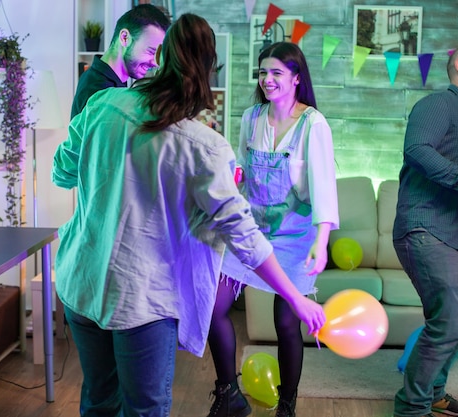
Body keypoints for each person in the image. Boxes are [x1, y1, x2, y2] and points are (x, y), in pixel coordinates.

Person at [51, 14, 326, 417]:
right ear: (206, 71)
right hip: (139, 300)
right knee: (144, 410)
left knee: (98, 402)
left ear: (162, 59)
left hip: (81, 282)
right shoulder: (203, 145)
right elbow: (243, 236)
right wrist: (296, 298)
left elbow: (62, 172)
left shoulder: (100, 104)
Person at [206, 42, 339, 417]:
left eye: (277, 73)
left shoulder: (314, 124)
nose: (267, 79)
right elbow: (243, 170)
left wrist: (323, 242)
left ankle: (287, 404)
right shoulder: (251, 117)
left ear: (297, 78)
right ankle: (228, 392)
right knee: (213, 307)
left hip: (295, 238)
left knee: (286, 322)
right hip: (251, 231)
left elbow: (324, 185)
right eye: (263, 72)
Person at [392, 46, 458, 417]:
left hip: (457, 238)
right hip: (425, 229)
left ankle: (434, 392)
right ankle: (411, 408)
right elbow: (417, 150)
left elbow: (457, 189)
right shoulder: (439, 104)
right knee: (447, 322)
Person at [70, 4, 170, 118]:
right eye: (151, 51)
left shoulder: (116, 84)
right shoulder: (98, 91)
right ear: (124, 38)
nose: (154, 62)